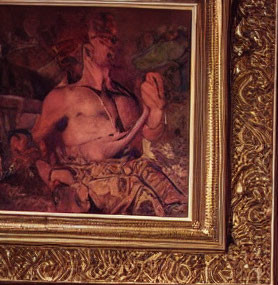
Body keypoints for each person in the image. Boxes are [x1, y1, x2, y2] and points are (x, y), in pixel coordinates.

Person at [30, 12, 184, 215]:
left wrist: (156, 110)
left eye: (113, 38)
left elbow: (147, 137)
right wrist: (53, 177)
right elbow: (34, 143)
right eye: (102, 37)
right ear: (86, 48)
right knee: (139, 192)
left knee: (168, 197)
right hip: (86, 188)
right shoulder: (63, 96)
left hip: (130, 178)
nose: (111, 43)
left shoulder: (126, 97)